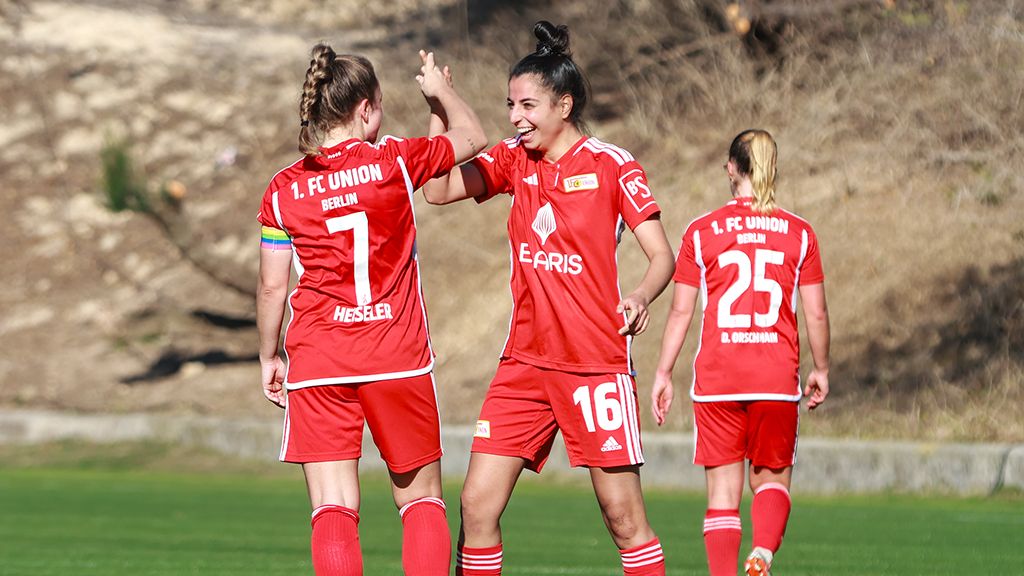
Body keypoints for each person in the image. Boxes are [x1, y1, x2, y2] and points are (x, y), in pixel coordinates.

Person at [423, 20, 675, 576]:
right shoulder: (514, 159)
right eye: (510, 105)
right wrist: (440, 103)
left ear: (564, 104)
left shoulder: (612, 165)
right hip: (524, 366)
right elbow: (437, 189)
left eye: (528, 105)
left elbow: (663, 256)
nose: (515, 118)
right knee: (476, 506)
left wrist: (637, 296)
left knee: (622, 518)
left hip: (594, 365)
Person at [256, 43, 486, 576]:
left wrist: (269, 355)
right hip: (396, 356)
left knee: (332, 506)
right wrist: (440, 93)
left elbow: (272, 289)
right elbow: (473, 138)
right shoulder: (395, 162)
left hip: (318, 362)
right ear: (366, 109)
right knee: (420, 500)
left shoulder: (284, 190)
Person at [650, 129, 831, 576]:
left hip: (717, 381)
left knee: (722, 497)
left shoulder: (701, 231)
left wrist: (663, 372)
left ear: (732, 168)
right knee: (771, 478)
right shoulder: (800, 233)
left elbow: (680, 312)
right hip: (775, 376)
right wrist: (821, 368)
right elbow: (818, 314)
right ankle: (763, 553)